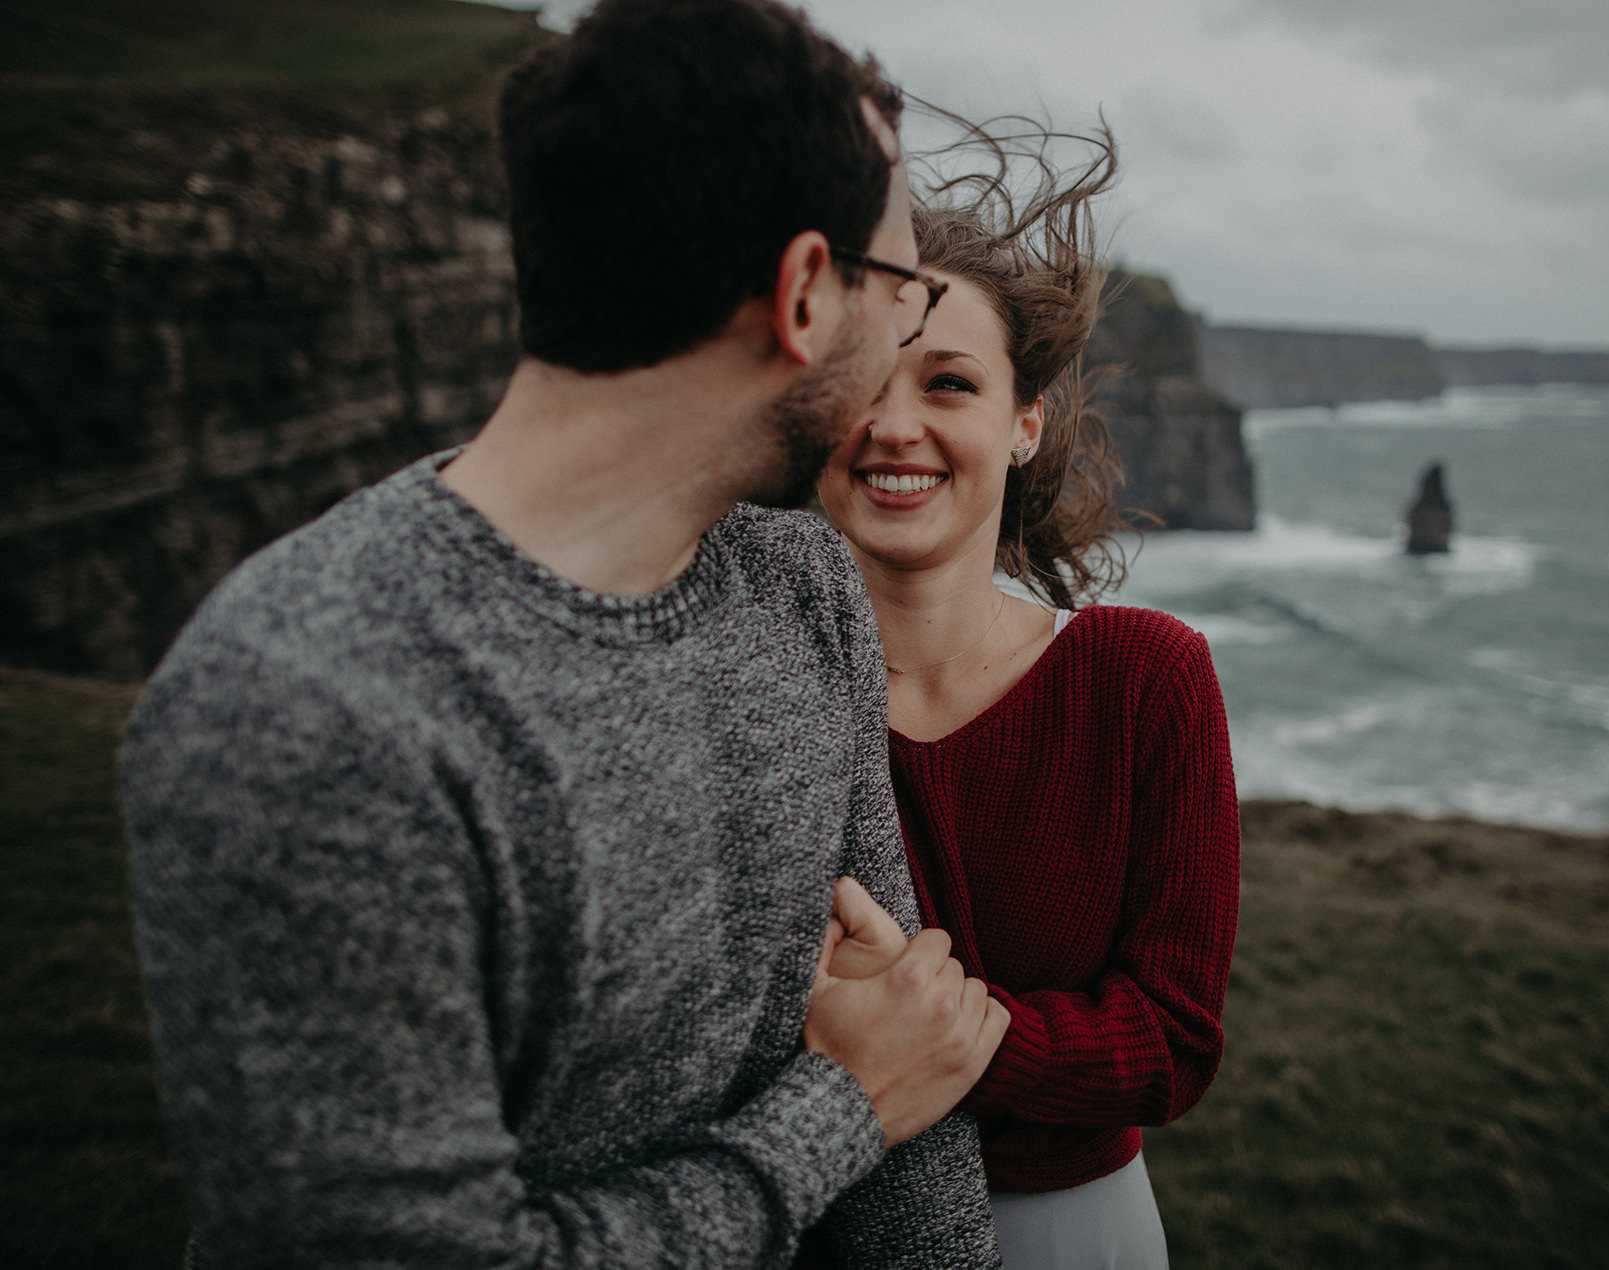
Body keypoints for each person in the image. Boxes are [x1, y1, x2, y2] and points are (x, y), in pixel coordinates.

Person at [119, 1, 1010, 1265]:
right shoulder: (306, 702)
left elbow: (904, 1022)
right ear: (807, 292)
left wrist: (889, 1114)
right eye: (905, 293)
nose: (902, 353)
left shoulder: (804, 579)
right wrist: (838, 1110)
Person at [815, 133, 1242, 1267]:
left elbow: (1172, 1042)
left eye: (948, 382)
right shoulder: (757, 690)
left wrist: (930, 1040)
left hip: (1072, 1233)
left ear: (1024, 422)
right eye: (860, 383)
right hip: (812, 1223)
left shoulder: (1146, 676)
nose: (894, 426)